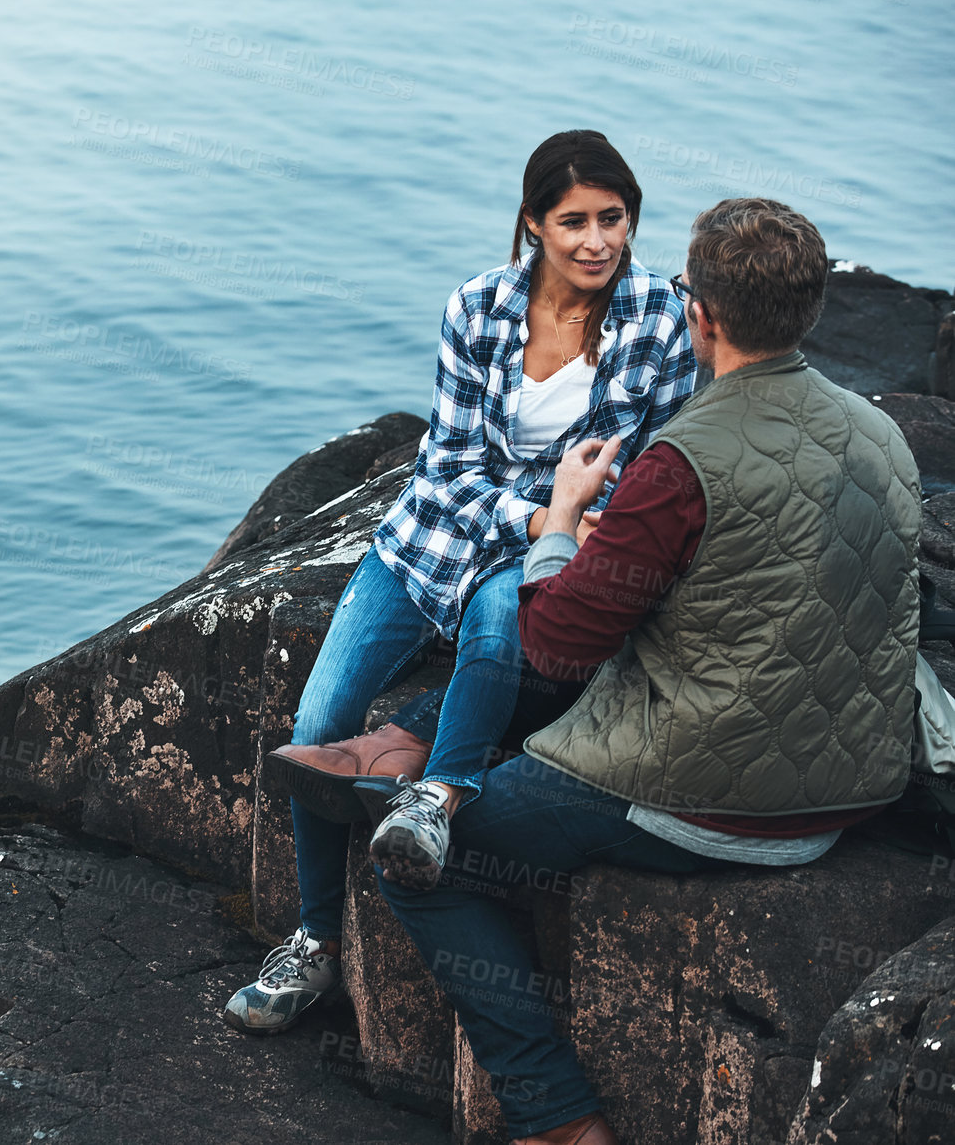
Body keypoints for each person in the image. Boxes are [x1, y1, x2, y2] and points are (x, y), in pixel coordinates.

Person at [373, 198, 920, 1143]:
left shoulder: (682, 461)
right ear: (812, 311)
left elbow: (554, 641)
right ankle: (425, 728)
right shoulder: (885, 438)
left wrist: (556, 525)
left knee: (424, 859)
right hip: (856, 781)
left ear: (700, 315)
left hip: (711, 800)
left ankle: (555, 1115)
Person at [223, 130, 697, 1035]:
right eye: (574, 222)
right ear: (532, 224)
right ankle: (313, 943)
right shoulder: (477, 308)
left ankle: (434, 807)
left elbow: (654, 461)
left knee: (496, 631)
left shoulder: (659, 321)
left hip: (538, 552)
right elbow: (445, 467)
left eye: (614, 219)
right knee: (320, 724)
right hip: (436, 540)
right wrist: (540, 513)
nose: (597, 241)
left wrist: (570, 525)